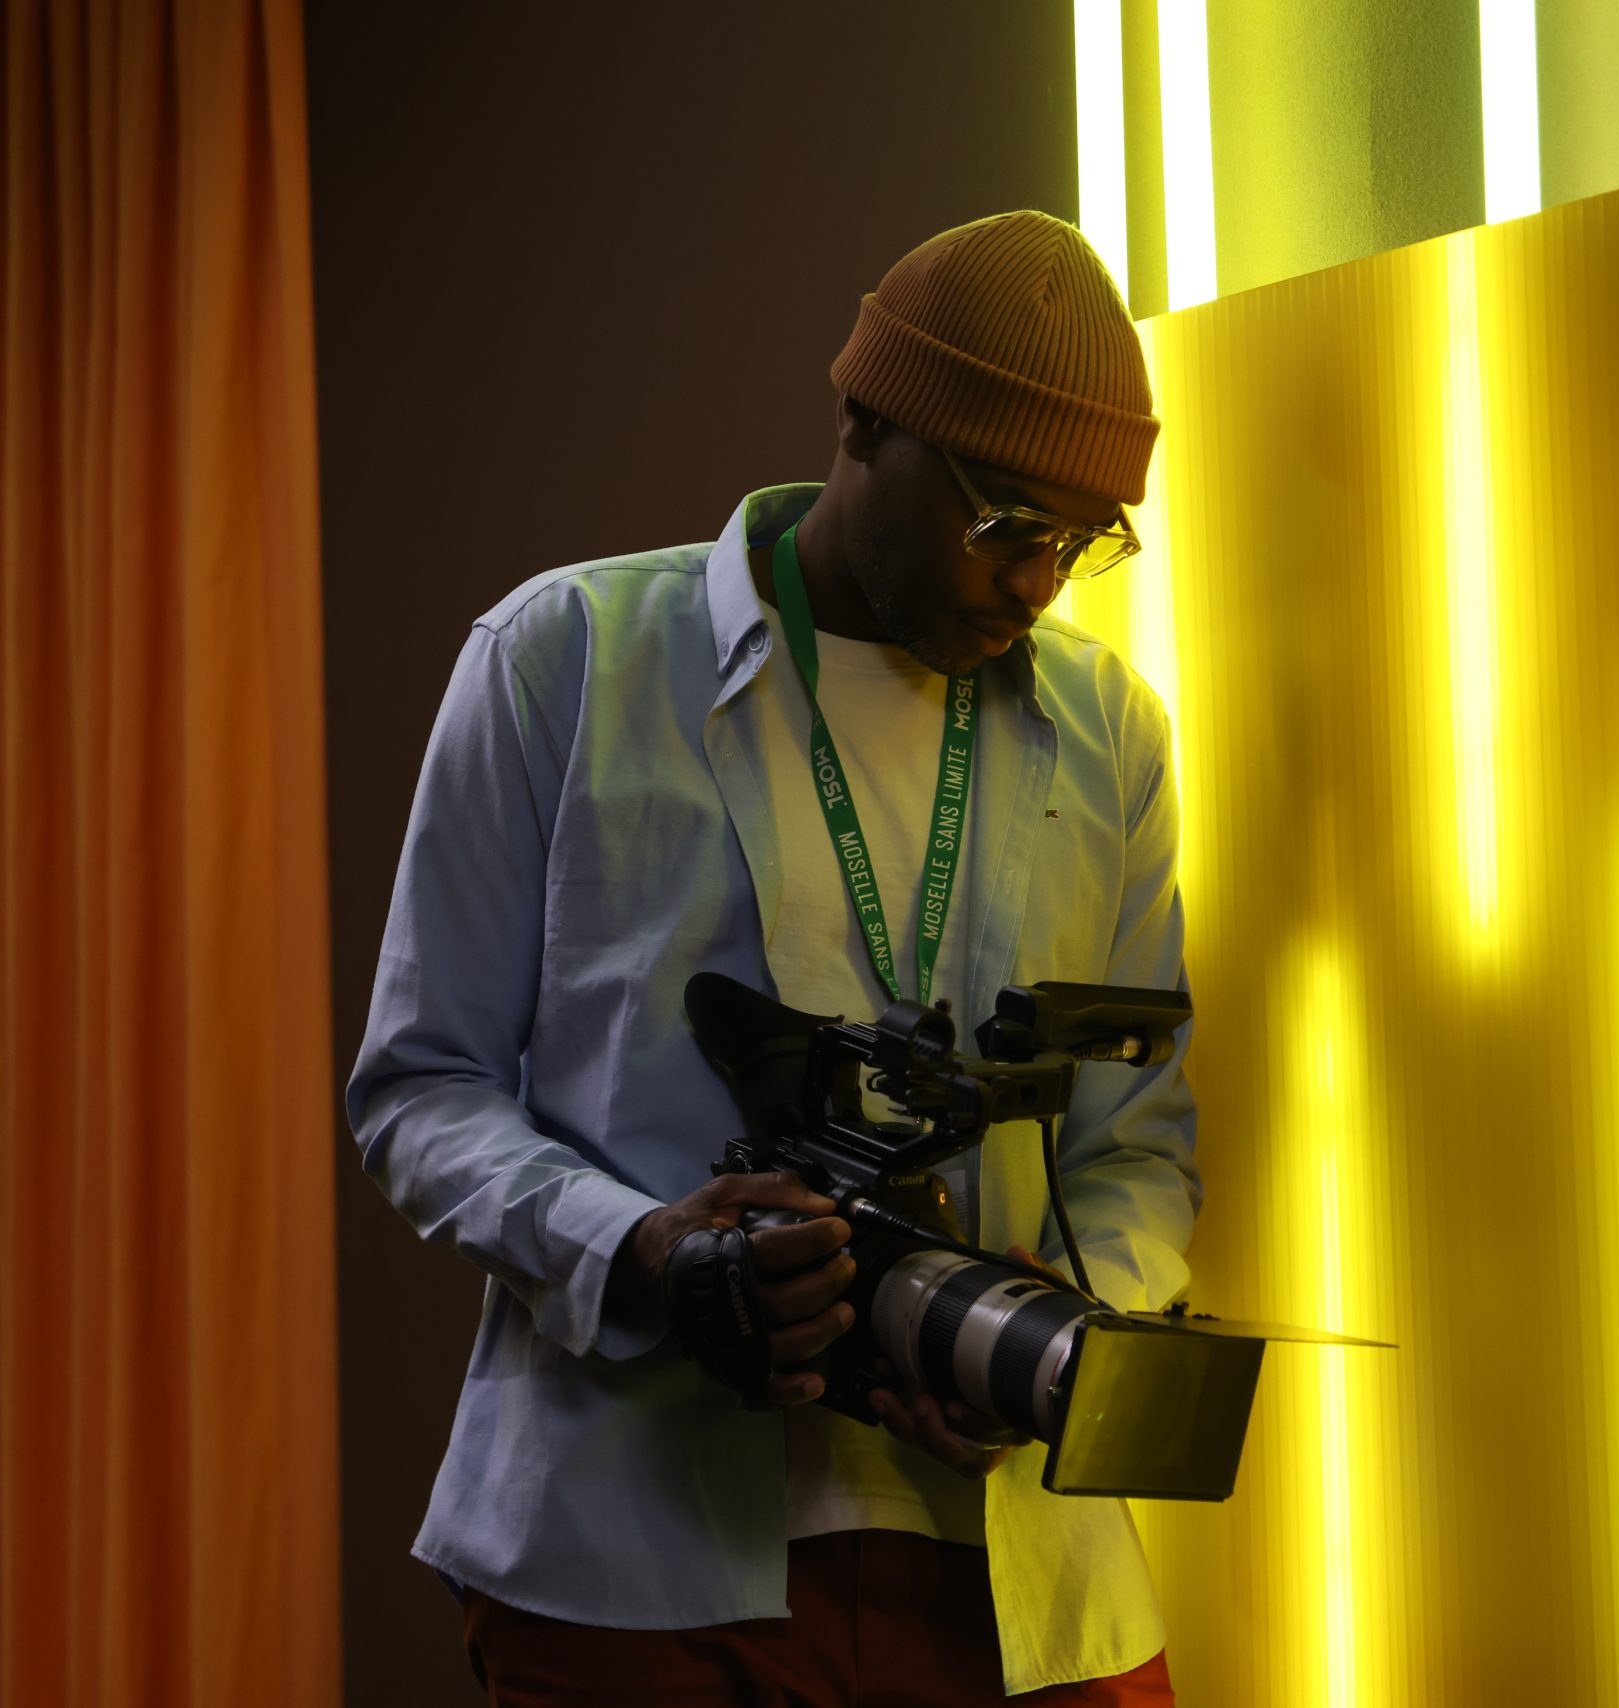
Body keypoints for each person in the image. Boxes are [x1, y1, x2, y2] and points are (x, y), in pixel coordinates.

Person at [347, 209, 1199, 1706]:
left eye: (1084, 541)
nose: (1039, 582)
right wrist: (645, 1251)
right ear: (864, 418)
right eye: (1008, 523)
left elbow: (1136, 1148)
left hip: (1015, 1576)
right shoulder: (565, 658)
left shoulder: (1108, 731)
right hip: (634, 1567)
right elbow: (421, 1090)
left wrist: (1061, 1319)